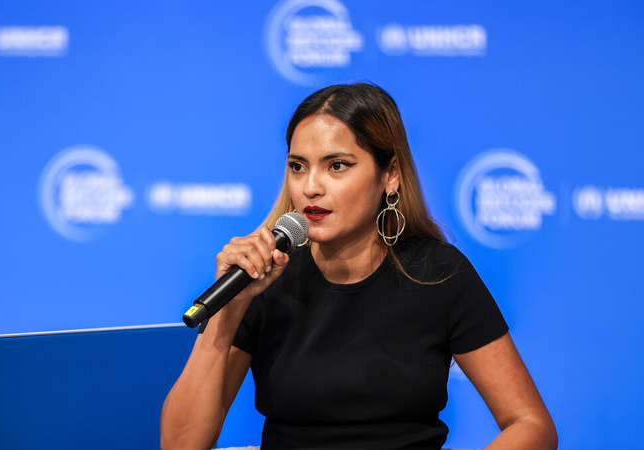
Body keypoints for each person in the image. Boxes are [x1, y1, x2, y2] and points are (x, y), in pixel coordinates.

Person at [161, 83, 557, 450]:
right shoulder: (265, 277)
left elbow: (531, 424)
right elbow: (180, 444)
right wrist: (229, 312)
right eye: (298, 166)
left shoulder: (437, 272)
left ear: (390, 175)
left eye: (337, 166)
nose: (311, 186)